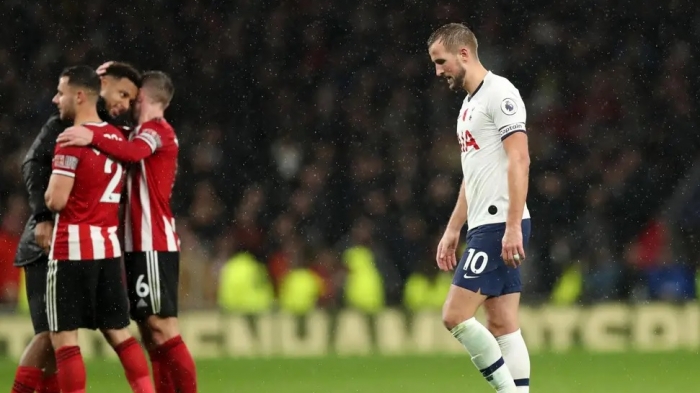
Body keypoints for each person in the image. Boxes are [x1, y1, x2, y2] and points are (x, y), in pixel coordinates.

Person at [58, 70, 198, 393]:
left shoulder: (156, 130)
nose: (130, 103)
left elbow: (131, 153)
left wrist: (90, 136)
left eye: (134, 98)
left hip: (153, 241)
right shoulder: (141, 131)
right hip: (137, 244)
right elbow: (123, 142)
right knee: (149, 332)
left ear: (145, 99)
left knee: (163, 328)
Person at [11, 62, 141, 393]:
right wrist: (41, 217)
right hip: (49, 241)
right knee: (51, 335)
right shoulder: (64, 124)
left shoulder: (107, 132)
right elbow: (32, 165)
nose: (125, 104)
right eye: (122, 94)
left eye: (131, 99)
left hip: (83, 244)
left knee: (63, 337)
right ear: (100, 86)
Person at [428, 23, 532, 393]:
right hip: (485, 223)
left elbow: (519, 160)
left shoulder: (500, 93)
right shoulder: (468, 105)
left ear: (463, 54)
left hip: (499, 224)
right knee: (503, 324)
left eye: (441, 62)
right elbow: (473, 177)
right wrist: (453, 228)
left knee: (454, 316)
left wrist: (513, 226)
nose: (438, 71)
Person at [43, 65, 154, 393]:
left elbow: (56, 200)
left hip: (71, 248)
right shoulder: (114, 137)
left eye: (61, 93)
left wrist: (49, 193)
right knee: (120, 333)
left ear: (79, 96)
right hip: (107, 249)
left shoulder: (70, 140)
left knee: (64, 339)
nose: (55, 99)